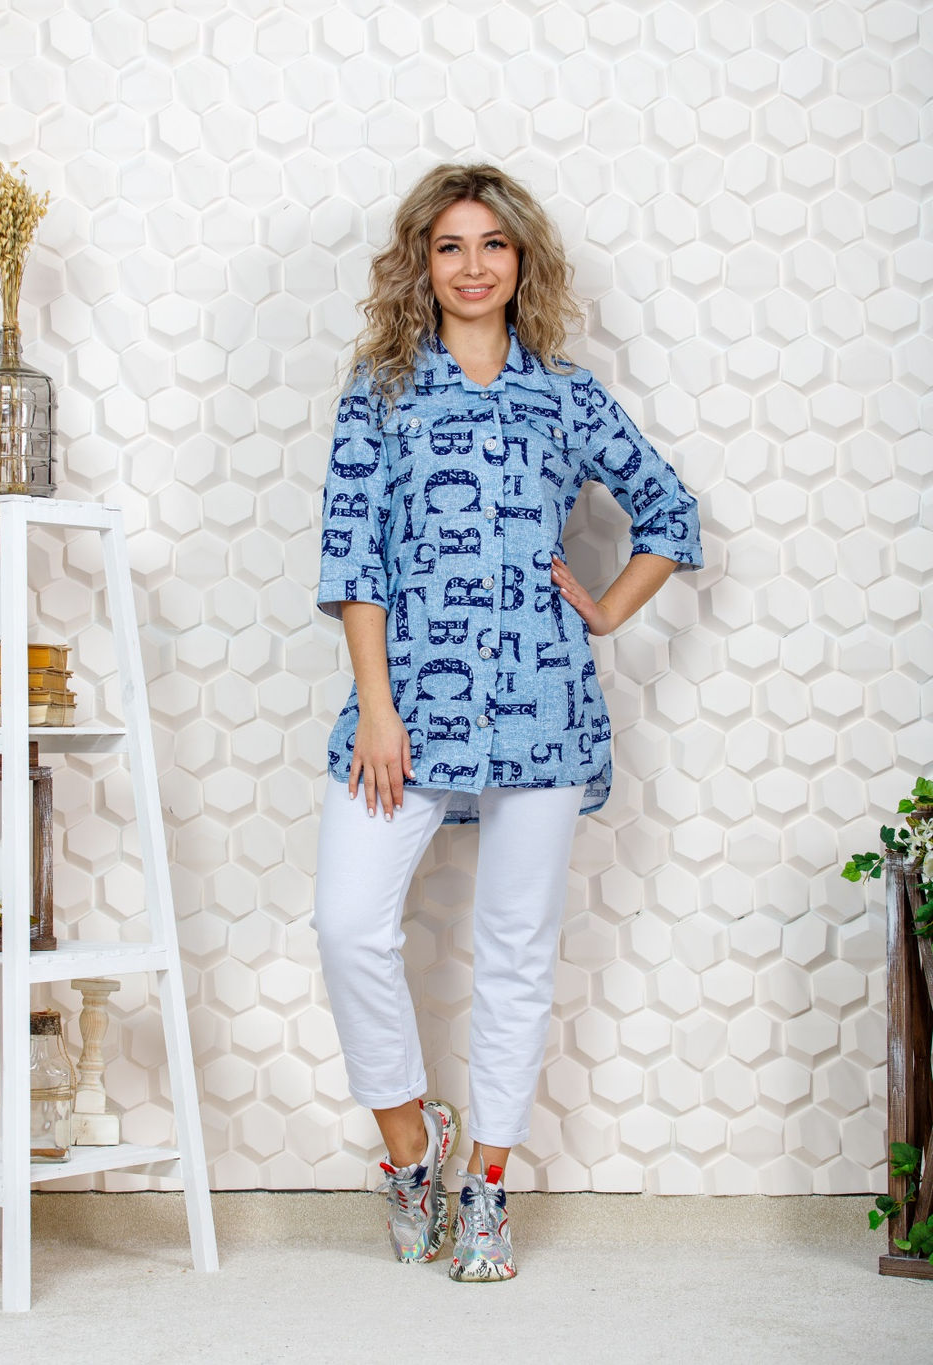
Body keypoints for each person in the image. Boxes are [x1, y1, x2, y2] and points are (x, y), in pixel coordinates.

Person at [312, 163, 703, 1282]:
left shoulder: (565, 396)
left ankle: (486, 1184)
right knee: (348, 923)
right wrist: (376, 708)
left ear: (521, 261)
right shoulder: (380, 390)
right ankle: (411, 1147)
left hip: (542, 710)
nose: (472, 265)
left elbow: (671, 514)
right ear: (422, 264)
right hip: (407, 710)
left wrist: (606, 609)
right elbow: (352, 556)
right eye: (450, 246)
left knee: (517, 950)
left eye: (492, 244)